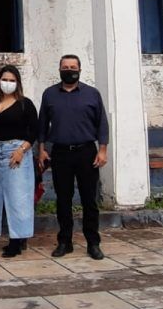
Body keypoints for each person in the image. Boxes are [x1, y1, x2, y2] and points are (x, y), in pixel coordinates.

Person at [37, 54, 110, 260]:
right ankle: (65, 241)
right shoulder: (50, 94)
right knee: (63, 200)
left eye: (73, 66)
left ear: (80, 69)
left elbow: (102, 124)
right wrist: (41, 149)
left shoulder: (92, 94)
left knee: (89, 200)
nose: (69, 70)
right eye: (65, 67)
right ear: (59, 69)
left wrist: (102, 150)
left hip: (87, 152)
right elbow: (42, 124)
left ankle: (93, 243)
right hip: (60, 153)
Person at [0, 64, 39, 258]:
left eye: (11, 80)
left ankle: (16, 242)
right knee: (0, 195)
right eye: (4, 79)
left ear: (17, 83)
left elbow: (34, 130)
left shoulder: (25, 104)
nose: (7, 83)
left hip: (16, 151)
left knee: (18, 197)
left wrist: (22, 150)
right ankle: (14, 236)